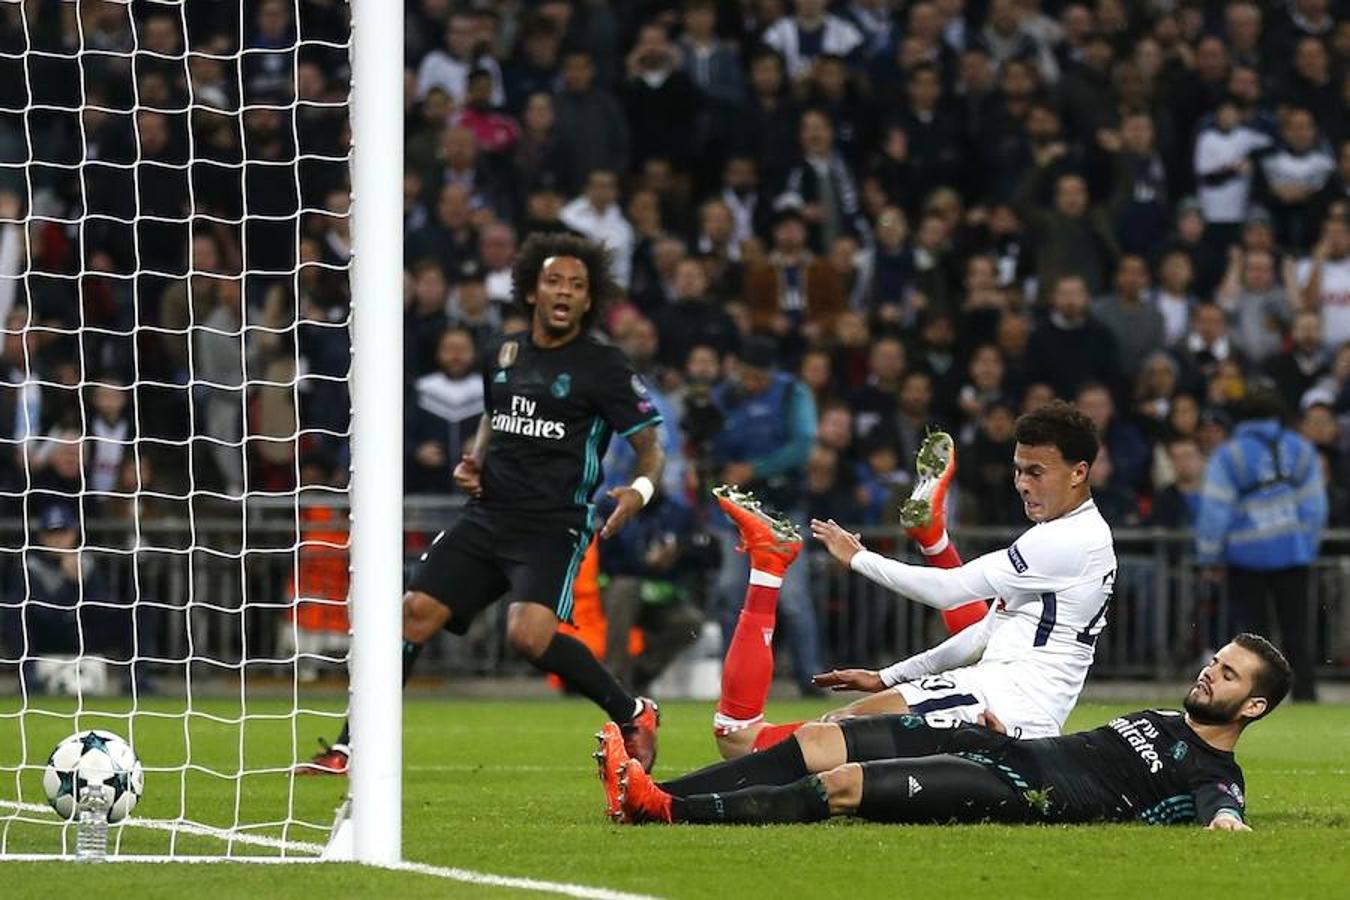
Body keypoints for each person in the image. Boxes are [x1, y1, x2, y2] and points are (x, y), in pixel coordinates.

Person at [302, 234, 666, 774]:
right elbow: (494, 416)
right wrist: (473, 460)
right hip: (488, 516)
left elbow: (651, 445)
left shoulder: (603, 366)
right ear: (531, 291)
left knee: (528, 636)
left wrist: (638, 492)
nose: (564, 292)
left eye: (577, 285)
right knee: (412, 615)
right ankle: (351, 747)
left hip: (551, 526)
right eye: (554, 281)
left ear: (589, 300)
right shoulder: (502, 350)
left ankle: (632, 711)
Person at [709, 401, 1113, 762]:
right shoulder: (1061, 537)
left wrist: (859, 558)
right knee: (771, 744)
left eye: (1036, 472)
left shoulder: (1067, 541)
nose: (1023, 483)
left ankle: (770, 564)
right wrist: (886, 677)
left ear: (1079, 473)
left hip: (1002, 710)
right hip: (997, 700)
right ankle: (928, 540)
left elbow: (949, 590)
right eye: (1019, 470)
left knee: (764, 741)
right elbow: (981, 634)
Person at [599, 633, 1290, 830]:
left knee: (839, 787)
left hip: (1020, 790)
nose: (1209, 674)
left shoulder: (1215, 773)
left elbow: (1223, 815)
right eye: (1216, 662)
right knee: (814, 741)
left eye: (1228, 677)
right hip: (999, 743)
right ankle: (651, 790)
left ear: (1252, 709)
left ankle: (665, 810)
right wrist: (996, 728)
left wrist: (1227, 824)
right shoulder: (1167, 719)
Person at [1195, 385, 1326, 701]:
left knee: (1254, 638)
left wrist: (1209, 556)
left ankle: (1256, 698)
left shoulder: (1230, 455)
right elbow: (1315, 506)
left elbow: (1215, 511)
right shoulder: (1300, 449)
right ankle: (1305, 695)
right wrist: (1306, 546)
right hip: (1294, 555)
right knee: (1296, 631)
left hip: (1245, 557)